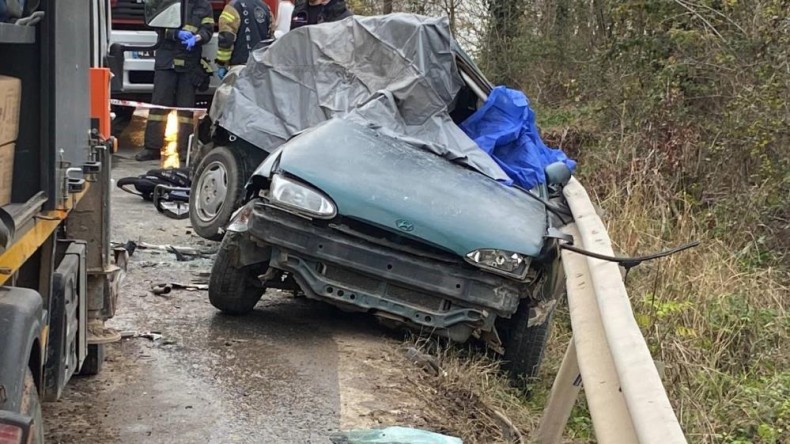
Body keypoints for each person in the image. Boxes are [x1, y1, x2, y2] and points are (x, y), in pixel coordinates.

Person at [136, 0, 214, 161]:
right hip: (167, 59)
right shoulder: (167, 1)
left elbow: (208, 29)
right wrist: (175, 34)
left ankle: (184, 149)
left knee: (185, 110)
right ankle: (152, 148)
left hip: (189, 62)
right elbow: (156, 25)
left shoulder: (203, 4)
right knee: (159, 106)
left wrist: (198, 38)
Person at [214, 0, 275, 80]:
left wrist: (222, 63)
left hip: (239, 67)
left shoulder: (233, 7)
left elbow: (226, 37)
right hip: (260, 66)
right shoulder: (265, 7)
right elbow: (270, 37)